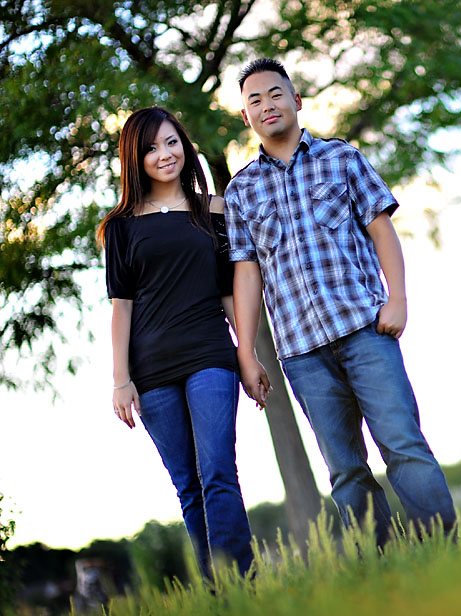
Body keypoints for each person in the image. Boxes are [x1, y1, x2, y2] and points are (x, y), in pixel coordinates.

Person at [224, 58, 456, 548]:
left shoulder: (342, 158)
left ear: (297, 100)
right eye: (254, 100)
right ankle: (387, 571)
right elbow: (246, 275)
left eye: (275, 94)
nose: (267, 105)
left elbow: (381, 229)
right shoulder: (241, 191)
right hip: (301, 353)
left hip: (365, 331)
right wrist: (247, 352)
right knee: (346, 472)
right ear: (245, 117)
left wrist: (398, 300)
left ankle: (445, 553)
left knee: (403, 446)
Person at [97, 107, 254, 579]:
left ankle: (241, 584)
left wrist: (248, 354)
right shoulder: (121, 227)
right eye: (150, 148)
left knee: (219, 473)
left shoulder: (215, 210)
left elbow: (229, 290)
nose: (164, 154)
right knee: (188, 486)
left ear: (184, 146)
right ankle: (216, 592)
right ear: (135, 159)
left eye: (171, 142)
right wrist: (120, 380)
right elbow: (121, 305)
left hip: (210, 352)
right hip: (151, 368)